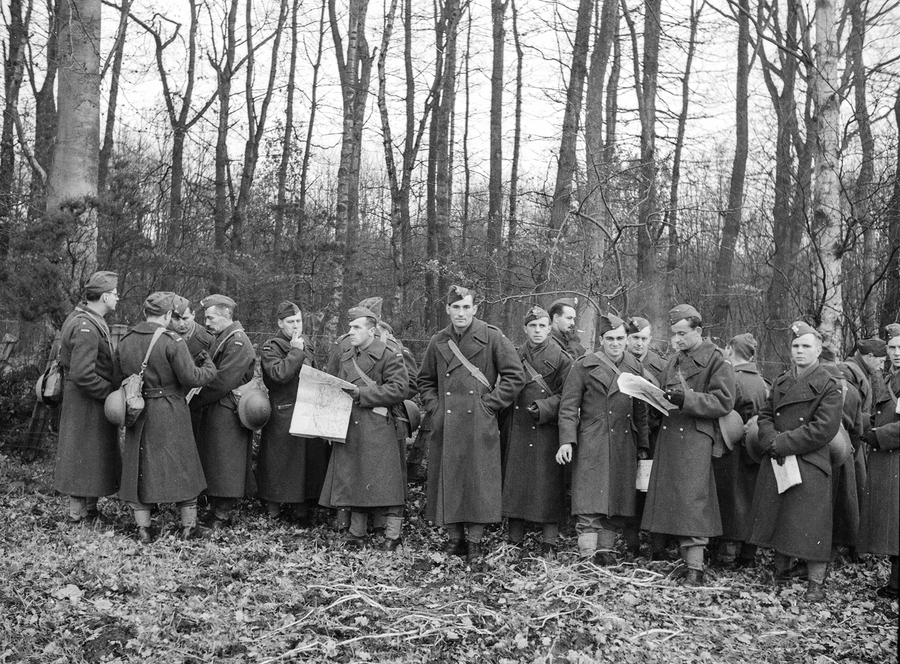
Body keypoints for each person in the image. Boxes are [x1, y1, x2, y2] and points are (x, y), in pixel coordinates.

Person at [418, 285, 525, 565]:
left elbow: (515, 376)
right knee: (450, 479)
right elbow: (425, 381)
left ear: (475, 309)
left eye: (466, 307)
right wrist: (436, 407)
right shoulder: (438, 340)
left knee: (477, 482)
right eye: (456, 307)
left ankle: (475, 542)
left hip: (479, 422)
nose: (461, 312)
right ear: (448, 310)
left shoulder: (492, 337)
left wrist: (488, 404)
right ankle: (455, 539)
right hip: (448, 422)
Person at [747, 321, 843, 602]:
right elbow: (764, 416)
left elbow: (823, 429)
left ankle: (815, 584)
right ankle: (782, 574)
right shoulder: (780, 381)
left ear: (818, 349)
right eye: (796, 346)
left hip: (809, 461)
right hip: (780, 458)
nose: (800, 351)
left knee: (812, 525)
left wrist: (782, 443)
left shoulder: (830, 385)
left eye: (806, 346)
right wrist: (769, 440)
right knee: (781, 518)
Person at [640, 304, 736, 586]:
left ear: (699, 331)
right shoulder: (675, 359)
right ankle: (671, 557)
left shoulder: (716, 360)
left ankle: (695, 567)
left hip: (695, 435)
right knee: (669, 496)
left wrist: (687, 399)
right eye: (674, 334)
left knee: (693, 501)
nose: (676, 340)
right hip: (671, 434)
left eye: (682, 334)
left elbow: (723, 401)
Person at [115, 292, 218, 542]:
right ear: (168, 315)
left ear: (145, 313)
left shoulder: (126, 340)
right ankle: (188, 528)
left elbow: (116, 374)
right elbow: (192, 378)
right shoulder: (172, 340)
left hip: (137, 410)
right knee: (183, 466)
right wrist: (209, 367)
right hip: (170, 408)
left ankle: (144, 530)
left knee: (140, 466)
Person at [557, 313, 650, 565]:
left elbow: (641, 410)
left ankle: (605, 552)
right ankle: (587, 555)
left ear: (627, 339)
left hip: (624, 440)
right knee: (589, 500)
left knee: (617, 499)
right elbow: (568, 406)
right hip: (592, 439)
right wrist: (567, 440)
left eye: (621, 338)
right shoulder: (583, 365)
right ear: (601, 340)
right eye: (610, 338)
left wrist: (643, 445)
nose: (616, 343)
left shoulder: (635, 367)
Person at [319, 306, 409, 550]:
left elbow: (401, 389)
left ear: (372, 330)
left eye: (356, 327)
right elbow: (332, 385)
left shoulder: (389, 353)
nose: (351, 331)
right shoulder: (347, 355)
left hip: (378, 426)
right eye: (350, 327)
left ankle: (392, 536)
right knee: (355, 479)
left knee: (387, 483)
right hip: (350, 425)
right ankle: (356, 533)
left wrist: (363, 393)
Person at [502, 306, 573, 558]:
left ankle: (549, 541)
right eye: (533, 326)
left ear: (549, 327)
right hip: (518, 425)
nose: (538, 330)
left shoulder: (562, 358)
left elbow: (569, 396)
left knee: (548, 484)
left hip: (547, 429)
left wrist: (544, 407)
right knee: (516, 481)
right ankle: (514, 539)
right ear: (525, 329)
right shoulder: (513, 354)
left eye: (542, 325)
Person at [53, 271, 121, 525]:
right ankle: (77, 515)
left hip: (87, 400)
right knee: (82, 455)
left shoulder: (84, 318)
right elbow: (82, 374)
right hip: (87, 401)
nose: (117, 298)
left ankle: (89, 511)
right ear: (104, 297)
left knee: (91, 455)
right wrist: (109, 394)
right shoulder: (86, 326)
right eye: (114, 294)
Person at [257, 301, 330, 525]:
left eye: (299, 320)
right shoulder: (271, 347)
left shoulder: (305, 342)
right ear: (280, 323)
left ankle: (303, 509)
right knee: (279, 463)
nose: (296, 325)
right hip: (284, 411)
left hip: (308, 409)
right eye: (290, 322)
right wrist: (296, 351)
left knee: (307, 461)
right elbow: (279, 375)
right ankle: (273, 508)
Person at [189, 294, 257, 529]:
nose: (207, 323)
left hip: (228, 410)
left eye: (211, 317)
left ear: (227, 314)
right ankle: (216, 509)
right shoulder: (224, 337)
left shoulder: (238, 342)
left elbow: (222, 381)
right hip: (218, 407)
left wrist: (193, 402)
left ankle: (222, 514)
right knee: (218, 460)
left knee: (227, 462)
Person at [711, 333, 768, 569]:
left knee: (730, 501)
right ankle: (748, 555)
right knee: (750, 499)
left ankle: (726, 556)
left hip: (731, 445)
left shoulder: (731, 378)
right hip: (755, 448)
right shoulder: (763, 381)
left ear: (729, 349)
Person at [857, 323, 900, 600]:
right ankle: (895, 584)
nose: (897, 353)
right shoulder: (891, 378)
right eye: (893, 348)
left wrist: (878, 435)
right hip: (890, 461)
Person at [169, 296, 214, 361]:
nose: (181, 324)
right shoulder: (163, 335)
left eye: (185, 319)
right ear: (170, 317)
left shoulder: (208, 339)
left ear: (193, 315)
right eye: (176, 319)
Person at [625, 316, 666, 386]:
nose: (639, 344)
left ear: (649, 340)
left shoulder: (663, 366)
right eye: (635, 337)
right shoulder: (616, 361)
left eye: (644, 339)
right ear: (627, 337)